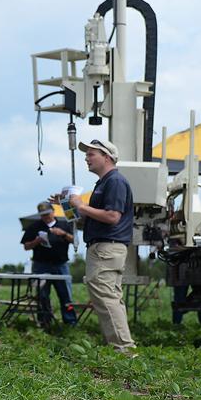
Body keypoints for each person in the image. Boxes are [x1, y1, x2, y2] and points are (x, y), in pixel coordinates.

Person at [53, 138, 136, 354]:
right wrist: (66, 205)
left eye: (91, 154)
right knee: (110, 297)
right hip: (105, 247)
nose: (86, 158)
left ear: (106, 157)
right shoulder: (105, 183)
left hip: (106, 248)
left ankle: (123, 349)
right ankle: (121, 347)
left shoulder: (114, 181)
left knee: (106, 298)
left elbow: (112, 216)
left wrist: (81, 205)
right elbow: (88, 220)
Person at [22, 201, 77, 328]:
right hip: (41, 265)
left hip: (61, 264)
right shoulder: (34, 226)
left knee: (66, 295)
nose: (45, 217)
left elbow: (75, 240)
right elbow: (26, 246)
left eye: (47, 213)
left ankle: (70, 322)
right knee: (42, 295)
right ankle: (44, 322)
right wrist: (37, 241)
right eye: (43, 215)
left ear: (53, 211)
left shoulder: (64, 224)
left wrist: (63, 234)